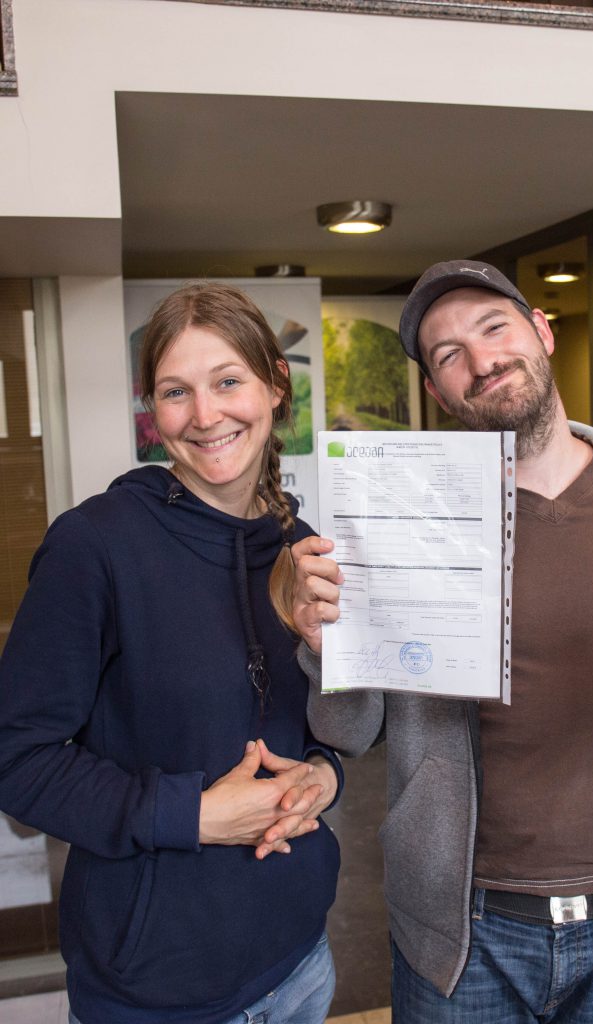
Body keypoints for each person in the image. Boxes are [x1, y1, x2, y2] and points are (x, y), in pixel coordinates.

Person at [291, 259, 593, 1024]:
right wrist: (325, 645)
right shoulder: (403, 516)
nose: (481, 361)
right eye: (450, 355)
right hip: (462, 935)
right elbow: (346, 728)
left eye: (494, 328)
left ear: (541, 331)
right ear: (437, 389)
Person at [0, 282, 342, 1024]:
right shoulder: (94, 546)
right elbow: (16, 758)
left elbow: (322, 726)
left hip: (301, 963)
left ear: (276, 386)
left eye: (228, 382)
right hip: (155, 993)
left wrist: (324, 776)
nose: (205, 415)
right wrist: (193, 816)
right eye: (176, 391)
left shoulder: (300, 547)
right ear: (151, 410)